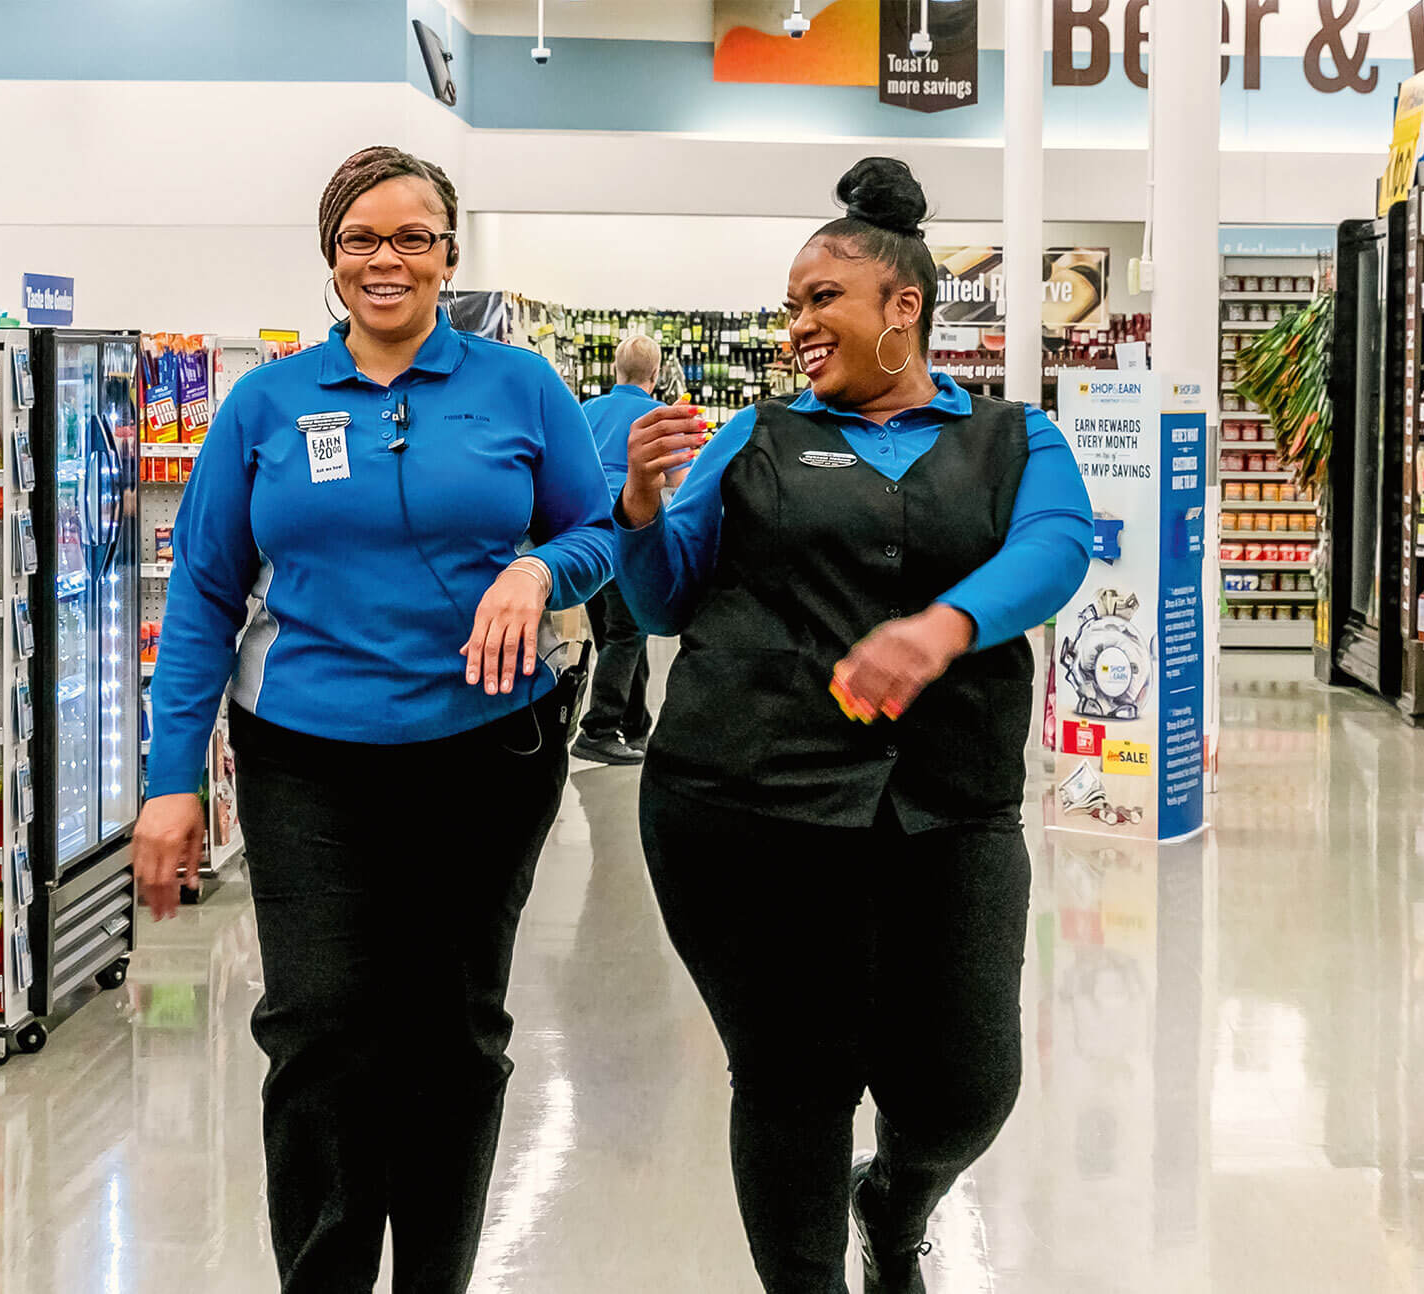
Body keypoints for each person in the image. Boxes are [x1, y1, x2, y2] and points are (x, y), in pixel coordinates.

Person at [131, 145, 616, 1294]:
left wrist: (541, 570)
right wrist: (170, 780)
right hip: (306, 758)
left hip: (488, 755)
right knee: (322, 1025)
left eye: (412, 238)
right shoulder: (266, 402)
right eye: (361, 239)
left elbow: (599, 531)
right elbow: (203, 593)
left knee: (452, 1033)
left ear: (450, 256)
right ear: (329, 259)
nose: (386, 259)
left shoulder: (520, 386)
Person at [614, 157, 1095, 1294]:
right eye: (789, 306)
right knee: (790, 1076)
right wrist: (637, 509)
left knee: (964, 1085)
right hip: (744, 800)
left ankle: (898, 1194)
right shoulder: (751, 439)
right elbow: (663, 596)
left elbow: (1056, 546)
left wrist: (944, 626)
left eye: (819, 298)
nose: (796, 326)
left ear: (902, 306)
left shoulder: (1016, 440)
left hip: (948, 806)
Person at [572, 333, 666, 765]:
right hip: (624, 537)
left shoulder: (588, 411)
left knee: (620, 635)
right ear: (656, 373)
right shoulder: (656, 416)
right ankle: (597, 730)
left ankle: (635, 727)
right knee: (628, 634)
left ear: (615, 369)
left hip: (585, 537)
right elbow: (681, 483)